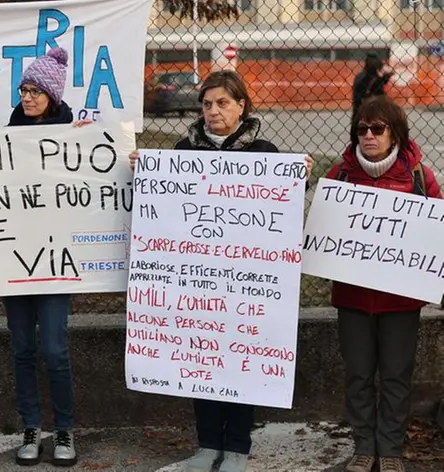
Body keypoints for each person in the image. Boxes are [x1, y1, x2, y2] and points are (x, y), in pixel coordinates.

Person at [129, 70, 312, 472]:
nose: (213, 111)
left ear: (242, 106)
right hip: (196, 282)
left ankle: (237, 448)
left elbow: (281, 218)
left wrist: (298, 177)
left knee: (239, 362)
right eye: (207, 104)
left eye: (223, 103)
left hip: (244, 286)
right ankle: (207, 444)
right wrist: (145, 169)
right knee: (200, 360)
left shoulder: (264, 152)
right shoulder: (181, 151)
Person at [0, 47, 90, 467]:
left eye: (35, 90)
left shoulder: (75, 136)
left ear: (52, 94)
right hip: (11, 263)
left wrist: (93, 142)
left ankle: (64, 428)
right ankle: (31, 426)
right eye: (23, 89)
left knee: (55, 349)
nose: (27, 97)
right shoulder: (4, 138)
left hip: (53, 263)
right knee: (23, 348)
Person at [326, 95, 441, 472]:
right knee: (358, 375)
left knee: (395, 375)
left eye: (378, 128)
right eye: (362, 129)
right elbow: (321, 228)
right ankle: (364, 446)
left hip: (401, 301)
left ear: (395, 133)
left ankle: (389, 449)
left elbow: (435, 234)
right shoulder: (339, 176)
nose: (369, 136)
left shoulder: (419, 178)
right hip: (353, 299)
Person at [352, 54, 393, 121]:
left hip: (363, 107)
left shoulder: (364, 75)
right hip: (368, 107)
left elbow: (384, 82)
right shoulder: (370, 77)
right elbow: (377, 89)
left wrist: (386, 74)